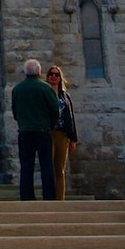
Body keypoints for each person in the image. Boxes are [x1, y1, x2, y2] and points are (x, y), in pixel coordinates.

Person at [10, 59, 60, 201]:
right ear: (39, 72)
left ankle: (27, 197)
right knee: (46, 165)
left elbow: (15, 110)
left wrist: (23, 123)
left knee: (26, 165)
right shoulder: (45, 88)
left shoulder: (17, 89)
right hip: (43, 131)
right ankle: (49, 197)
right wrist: (50, 124)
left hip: (25, 131)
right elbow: (55, 109)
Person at [46, 65, 78, 200]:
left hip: (62, 134)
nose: (54, 77)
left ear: (60, 78)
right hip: (48, 133)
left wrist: (73, 138)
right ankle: (49, 197)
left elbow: (70, 117)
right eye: (51, 74)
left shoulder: (65, 96)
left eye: (56, 75)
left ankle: (60, 199)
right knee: (48, 167)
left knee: (60, 169)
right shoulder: (44, 93)